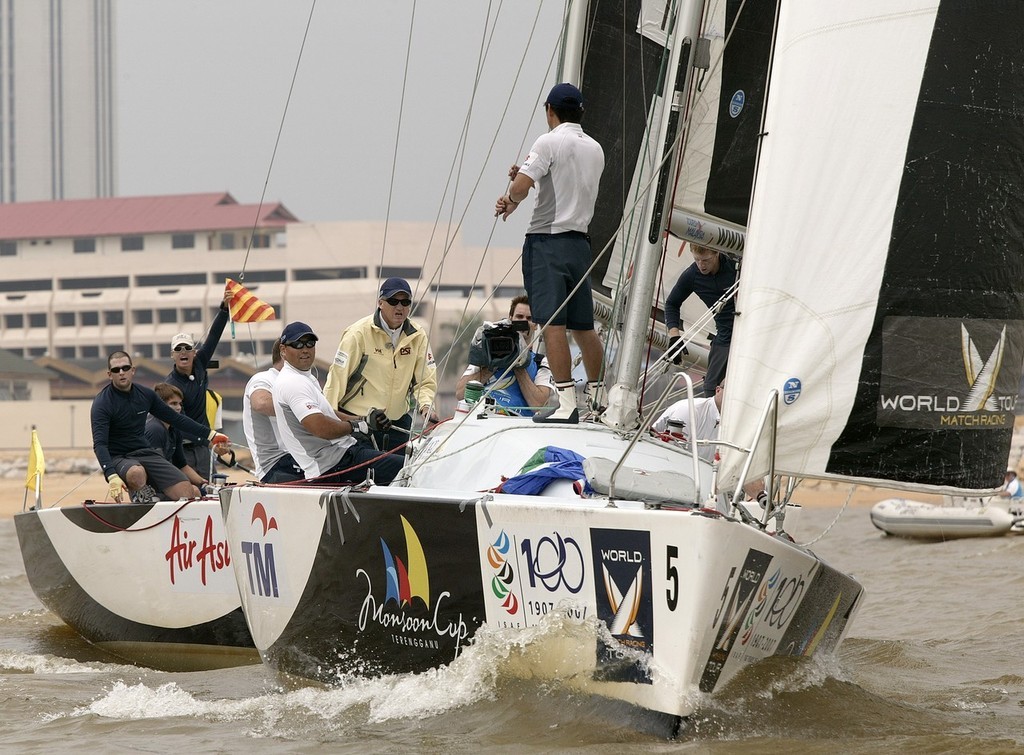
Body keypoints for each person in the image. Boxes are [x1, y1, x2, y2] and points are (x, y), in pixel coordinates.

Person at [495, 82, 606, 424]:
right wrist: (529, 177)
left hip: (548, 243)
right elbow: (561, 181)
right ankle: (600, 398)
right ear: (581, 111)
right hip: (580, 244)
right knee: (583, 326)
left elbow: (521, 188)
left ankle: (567, 402)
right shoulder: (596, 148)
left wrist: (510, 199)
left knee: (552, 324)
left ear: (550, 111)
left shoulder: (548, 141)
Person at [274, 322, 405, 486]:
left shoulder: (305, 378)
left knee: (407, 464)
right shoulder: (292, 383)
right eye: (297, 344)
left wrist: (363, 419)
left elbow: (327, 412)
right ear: (283, 350)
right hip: (334, 466)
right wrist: (356, 427)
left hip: (343, 456)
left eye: (310, 343)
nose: (305, 349)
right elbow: (320, 427)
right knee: (410, 468)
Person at [91, 351, 229, 504]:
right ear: (110, 375)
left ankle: (154, 499)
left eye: (125, 368)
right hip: (119, 457)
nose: (121, 373)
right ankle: (140, 496)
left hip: (144, 452)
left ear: (133, 370)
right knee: (137, 473)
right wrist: (111, 475)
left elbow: (177, 419)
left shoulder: (145, 395)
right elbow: (100, 444)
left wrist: (211, 435)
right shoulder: (102, 403)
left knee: (188, 492)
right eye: (116, 370)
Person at [323, 277, 438, 450]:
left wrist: (426, 407)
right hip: (359, 421)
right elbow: (337, 377)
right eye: (393, 301)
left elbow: (425, 380)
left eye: (405, 302)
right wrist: (328, 418)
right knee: (370, 472)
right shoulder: (358, 333)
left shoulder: (418, 336)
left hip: (397, 422)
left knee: (405, 472)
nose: (399, 307)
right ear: (380, 303)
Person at [164, 284, 233, 481]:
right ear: (172, 355)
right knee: (191, 489)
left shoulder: (201, 363)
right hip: (183, 448)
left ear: (194, 352)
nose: (183, 352)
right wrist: (210, 440)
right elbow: (181, 422)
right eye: (178, 349)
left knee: (209, 487)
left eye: (187, 347)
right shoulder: (171, 385)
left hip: (203, 445)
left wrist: (224, 308)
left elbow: (213, 337)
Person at [455, 295, 555, 416]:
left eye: (529, 318)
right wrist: (495, 362)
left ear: (535, 325)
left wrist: (518, 363)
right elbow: (460, 393)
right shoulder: (487, 353)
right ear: (510, 318)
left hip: (515, 425)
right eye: (519, 316)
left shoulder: (541, 362)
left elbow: (539, 406)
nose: (523, 322)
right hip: (483, 418)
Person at [663, 243, 737, 397]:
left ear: (717, 253)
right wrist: (674, 336)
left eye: (706, 260)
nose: (701, 265)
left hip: (749, 329)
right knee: (710, 389)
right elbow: (671, 303)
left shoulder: (735, 266)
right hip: (725, 335)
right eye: (697, 260)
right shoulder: (692, 275)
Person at [242, 340, 304, 483]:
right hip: (278, 464)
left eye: (310, 346)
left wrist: (356, 421)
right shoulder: (264, 378)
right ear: (283, 353)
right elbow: (261, 403)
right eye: (300, 347)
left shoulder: (303, 382)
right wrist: (304, 410)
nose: (307, 351)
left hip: (302, 457)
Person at [145, 382, 207, 497]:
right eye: (173, 403)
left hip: (164, 480)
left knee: (199, 491)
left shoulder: (174, 429)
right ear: (159, 405)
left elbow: (181, 464)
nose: (178, 408)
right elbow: (156, 470)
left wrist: (205, 484)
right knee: (192, 491)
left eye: (180, 404)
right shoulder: (154, 429)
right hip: (151, 488)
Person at [651, 382, 724, 463]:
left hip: (698, 470)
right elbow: (672, 451)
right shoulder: (690, 409)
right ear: (718, 390)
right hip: (661, 462)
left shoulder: (730, 421)